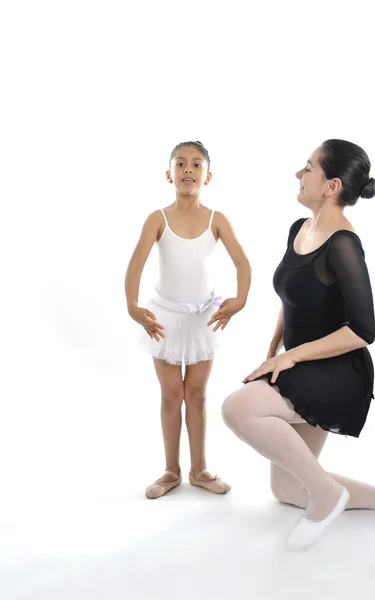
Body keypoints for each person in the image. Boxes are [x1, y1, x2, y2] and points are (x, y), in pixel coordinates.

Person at [221, 139, 375, 550]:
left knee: (237, 407)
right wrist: (273, 352)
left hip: (338, 372)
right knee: (289, 489)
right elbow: (291, 298)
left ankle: (328, 495)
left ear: (331, 186)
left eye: (308, 167)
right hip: (301, 368)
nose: (299, 174)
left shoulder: (344, 245)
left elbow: (363, 329)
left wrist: (291, 356)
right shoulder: (300, 229)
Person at [126, 141, 251, 499]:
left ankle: (199, 470)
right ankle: (170, 471)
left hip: (202, 320)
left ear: (207, 176)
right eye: (180, 164)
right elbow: (135, 264)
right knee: (170, 395)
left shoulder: (217, 220)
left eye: (196, 165)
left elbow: (242, 262)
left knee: (196, 395)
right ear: (169, 174)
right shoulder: (158, 219)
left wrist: (239, 299)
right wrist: (133, 307)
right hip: (163, 319)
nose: (188, 170)